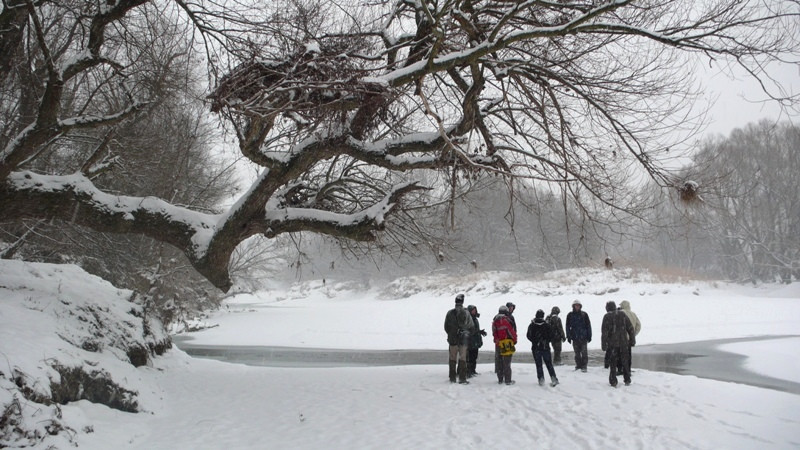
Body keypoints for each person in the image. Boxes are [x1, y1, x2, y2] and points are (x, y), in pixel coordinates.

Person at [601, 300, 635, 387]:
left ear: (607, 308)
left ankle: (613, 381)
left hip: (613, 344)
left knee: (613, 363)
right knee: (625, 362)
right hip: (624, 343)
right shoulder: (622, 314)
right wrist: (632, 340)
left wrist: (604, 344)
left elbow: (604, 332)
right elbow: (630, 328)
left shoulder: (607, 316)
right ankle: (627, 379)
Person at [444, 293, 474, 384]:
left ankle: (452, 377)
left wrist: (451, 334)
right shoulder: (466, 313)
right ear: (462, 302)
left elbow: (446, 327)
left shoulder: (450, 313)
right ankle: (462, 378)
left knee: (452, 358)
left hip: (452, 340)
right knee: (462, 359)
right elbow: (471, 326)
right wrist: (467, 334)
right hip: (463, 340)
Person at [527, 309, 559, 387]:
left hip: (536, 348)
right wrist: (546, 341)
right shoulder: (546, 325)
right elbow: (552, 335)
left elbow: (528, 335)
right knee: (549, 364)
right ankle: (553, 378)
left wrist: (535, 341)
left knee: (539, 364)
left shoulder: (532, 325)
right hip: (545, 347)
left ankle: (541, 379)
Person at [492, 305, 517, 385]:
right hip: (507, 343)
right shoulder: (506, 320)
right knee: (507, 362)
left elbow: (494, 332)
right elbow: (511, 331)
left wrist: (496, 340)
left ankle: (500, 379)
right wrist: (515, 340)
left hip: (498, 343)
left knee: (499, 362)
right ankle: (508, 380)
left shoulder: (495, 321)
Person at [565, 299, 592, 372]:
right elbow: (567, 326)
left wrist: (589, 335)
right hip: (575, 337)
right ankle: (578, 365)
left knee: (584, 353)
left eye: (578, 305)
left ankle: (584, 366)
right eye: (576, 305)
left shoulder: (584, 314)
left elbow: (588, 326)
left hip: (583, 337)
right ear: (573, 306)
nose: (577, 307)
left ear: (580, 306)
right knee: (577, 353)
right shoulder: (570, 315)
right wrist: (568, 336)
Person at [618, 300, 641, 375]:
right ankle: (628, 369)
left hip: (621, 337)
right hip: (630, 338)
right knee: (628, 354)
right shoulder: (633, 314)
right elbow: (638, 325)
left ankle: (621, 369)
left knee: (620, 354)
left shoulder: (621, 313)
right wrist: (633, 334)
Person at [466, 305, 487, 377]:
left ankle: (473, 370)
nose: (474, 311)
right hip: (470, 341)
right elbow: (469, 330)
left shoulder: (475, 318)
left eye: (475, 310)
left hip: (475, 341)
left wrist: (479, 332)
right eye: (473, 310)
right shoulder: (468, 319)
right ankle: (469, 371)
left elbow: (475, 330)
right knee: (470, 357)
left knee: (474, 356)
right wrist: (478, 331)